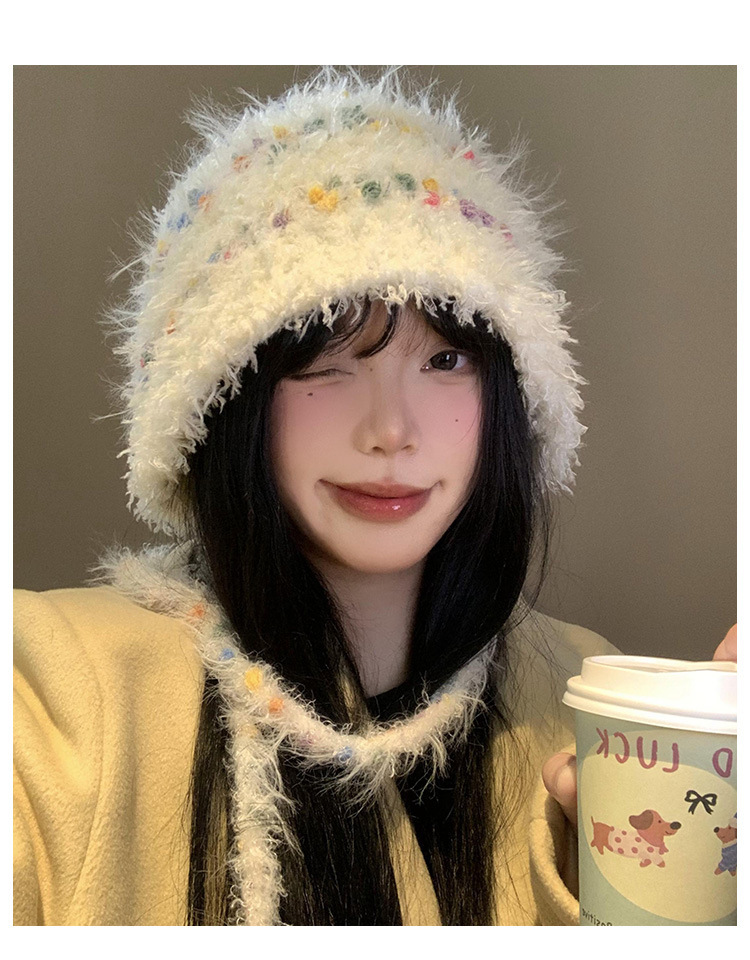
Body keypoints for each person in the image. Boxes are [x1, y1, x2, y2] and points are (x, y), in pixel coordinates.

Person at [13, 66, 736, 926]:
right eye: (326, 360)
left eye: (445, 359)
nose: (391, 430)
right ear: (221, 397)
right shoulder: (57, 696)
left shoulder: (588, 704)